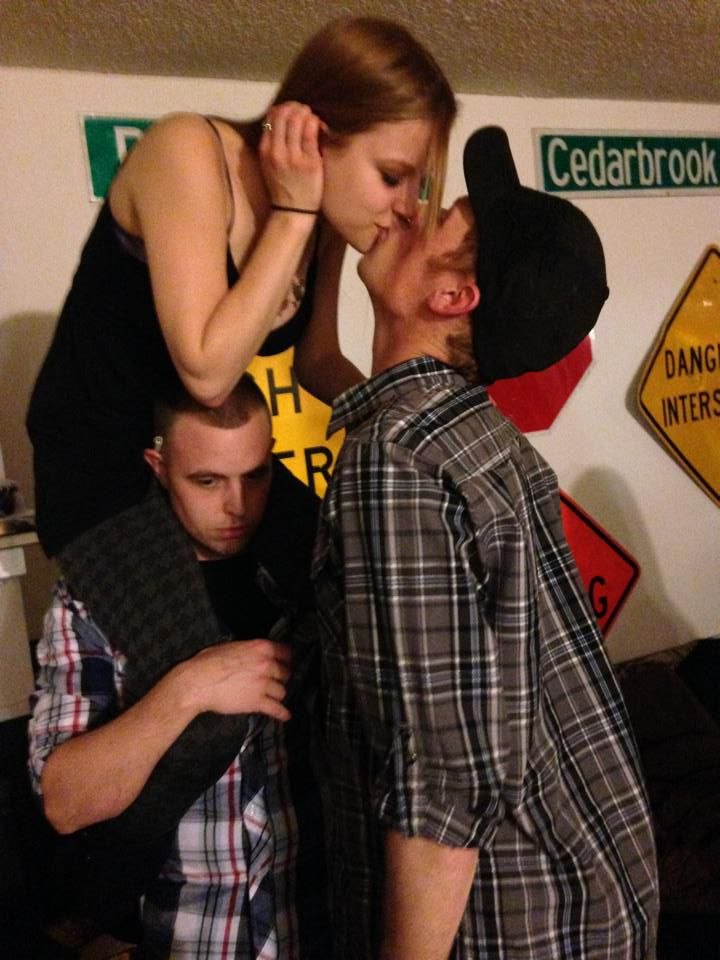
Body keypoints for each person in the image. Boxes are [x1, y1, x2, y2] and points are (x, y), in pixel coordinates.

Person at [312, 127, 659, 960]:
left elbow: (442, 784)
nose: (407, 209)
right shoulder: (469, 433)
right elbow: (318, 364)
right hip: (595, 891)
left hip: (516, 926)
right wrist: (320, 215)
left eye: (435, 218)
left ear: (452, 296)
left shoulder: (397, 458)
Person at [26, 14, 456, 560]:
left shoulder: (326, 222)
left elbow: (317, 359)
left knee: (348, 565)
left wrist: (410, 415)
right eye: (392, 177)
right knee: (218, 622)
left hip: (204, 461)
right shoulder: (187, 150)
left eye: (418, 184)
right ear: (316, 137)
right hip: (98, 468)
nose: (407, 207)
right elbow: (207, 373)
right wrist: (293, 213)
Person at [29, 375, 327, 958]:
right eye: (207, 481)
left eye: (255, 475)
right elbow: (65, 803)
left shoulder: (306, 569)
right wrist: (189, 687)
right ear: (159, 467)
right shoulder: (97, 595)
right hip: (193, 934)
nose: (237, 505)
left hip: (320, 922)